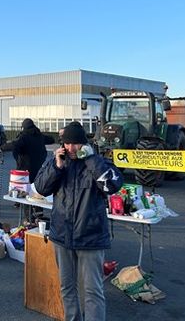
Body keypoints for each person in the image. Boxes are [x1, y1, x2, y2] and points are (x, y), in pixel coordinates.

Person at [34, 121, 123, 321]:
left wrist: (91, 159)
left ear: (84, 144)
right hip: (62, 235)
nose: (71, 148)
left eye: (76, 144)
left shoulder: (97, 162)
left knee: (92, 290)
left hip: (90, 237)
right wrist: (56, 167)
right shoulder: (57, 162)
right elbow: (40, 188)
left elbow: (112, 185)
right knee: (67, 287)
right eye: (67, 143)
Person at [2, 118, 54, 218]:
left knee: (26, 191)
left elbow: (15, 145)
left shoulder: (24, 137)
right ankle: (39, 214)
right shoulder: (39, 136)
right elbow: (51, 139)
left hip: (25, 168)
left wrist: (2, 148)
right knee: (37, 190)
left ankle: (28, 217)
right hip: (39, 167)